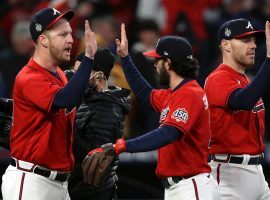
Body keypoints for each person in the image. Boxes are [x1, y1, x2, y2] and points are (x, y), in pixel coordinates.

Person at [89, 24, 220, 199]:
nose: (155, 66)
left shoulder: (190, 94)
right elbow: (145, 93)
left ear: (167, 63)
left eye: (157, 61)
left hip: (191, 185)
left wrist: (123, 145)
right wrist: (126, 58)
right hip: (181, 186)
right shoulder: (174, 93)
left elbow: (168, 133)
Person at [1, 7, 97, 200]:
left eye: (70, 33)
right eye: (62, 34)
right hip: (31, 182)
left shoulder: (59, 74)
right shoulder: (29, 77)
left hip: (59, 184)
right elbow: (66, 99)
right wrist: (88, 58)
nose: (71, 39)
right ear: (43, 40)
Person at [204, 18, 270, 199]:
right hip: (230, 174)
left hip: (257, 171)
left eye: (254, 40)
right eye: (245, 40)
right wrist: (269, 62)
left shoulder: (245, 81)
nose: (254, 45)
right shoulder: (217, 78)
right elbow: (244, 101)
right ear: (226, 45)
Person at [67, 48, 131, 200]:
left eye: (80, 72)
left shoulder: (106, 107)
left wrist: (66, 125)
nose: (75, 77)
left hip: (91, 192)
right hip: (81, 189)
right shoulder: (89, 100)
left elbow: (93, 155)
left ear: (100, 76)